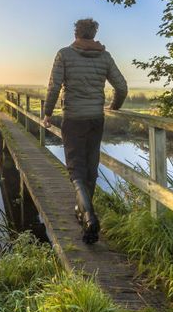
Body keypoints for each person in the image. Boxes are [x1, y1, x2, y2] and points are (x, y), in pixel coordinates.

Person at [42, 18, 128, 244]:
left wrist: (47, 113)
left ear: (76, 33)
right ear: (94, 33)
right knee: (91, 167)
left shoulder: (64, 54)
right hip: (95, 119)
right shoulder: (105, 56)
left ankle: (88, 217)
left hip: (74, 118)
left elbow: (54, 86)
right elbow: (121, 87)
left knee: (76, 170)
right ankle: (83, 211)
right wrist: (114, 107)